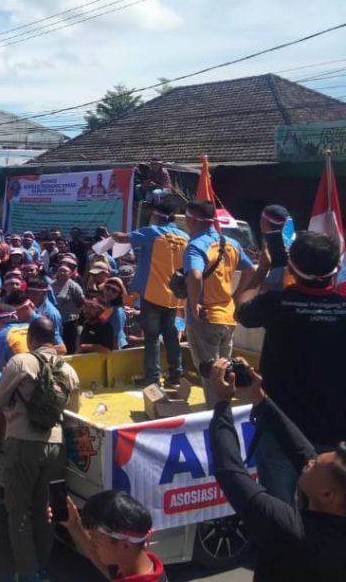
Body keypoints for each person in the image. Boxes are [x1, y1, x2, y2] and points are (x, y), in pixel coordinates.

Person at [207, 358, 346, 581]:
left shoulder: (294, 531)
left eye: (316, 464)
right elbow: (302, 450)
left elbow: (230, 471)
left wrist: (222, 404)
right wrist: (259, 398)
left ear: (327, 495)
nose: (310, 461)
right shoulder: (334, 506)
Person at [234, 231, 346, 503]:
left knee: (282, 515)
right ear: (336, 269)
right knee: (328, 513)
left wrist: (262, 269)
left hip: (280, 430)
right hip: (334, 434)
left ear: (292, 266)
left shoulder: (276, 304)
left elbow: (241, 306)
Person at [0, 317, 80, 582]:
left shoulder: (21, 362)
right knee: (46, 510)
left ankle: (28, 573)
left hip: (22, 442)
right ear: (54, 339)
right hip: (55, 444)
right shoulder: (69, 370)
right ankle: (42, 568)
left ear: (31, 338)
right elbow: (73, 411)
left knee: (18, 510)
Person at [110, 196, 188, 386]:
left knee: (152, 337)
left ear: (157, 216)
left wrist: (110, 235)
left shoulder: (152, 232)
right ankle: (176, 374)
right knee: (171, 335)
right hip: (174, 296)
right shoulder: (185, 237)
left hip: (153, 295)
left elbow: (123, 238)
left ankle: (152, 378)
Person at [182, 199, 254, 404]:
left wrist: (195, 305)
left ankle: (215, 417)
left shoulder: (195, 246)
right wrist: (235, 296)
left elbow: (195, 276)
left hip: (205, 318)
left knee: (210, 372)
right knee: (225, 370)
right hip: (227, 316)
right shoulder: (231, 244)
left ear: (191, 219)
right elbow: (250, 271)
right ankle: (225, 411)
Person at [51, 490, 167, 582]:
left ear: (125, 545)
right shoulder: (136, 565)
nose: (92, 543)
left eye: (96, 539)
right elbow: (96, 556)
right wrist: (73, 523)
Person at [51, 262, 85, 354]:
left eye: (65, 271)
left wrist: (76, 312)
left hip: (70, 321)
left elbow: (82, 301)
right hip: (56, 320)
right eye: (60, 271)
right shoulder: (52, 285)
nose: (62, 273)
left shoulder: (74, 286)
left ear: (70, 274)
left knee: (70, 344)